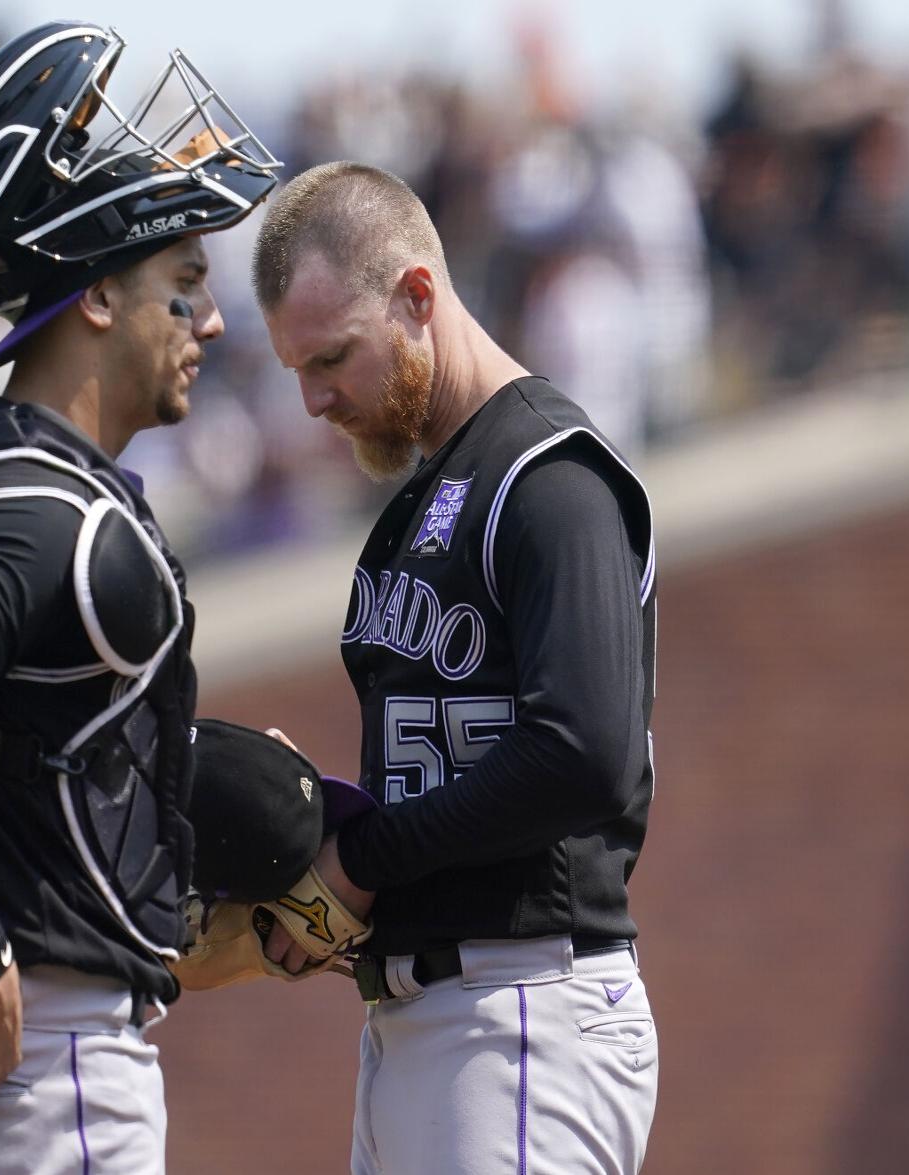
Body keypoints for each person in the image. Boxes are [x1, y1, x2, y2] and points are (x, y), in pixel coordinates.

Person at [0, 23, 279, 1174]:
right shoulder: (51, 512)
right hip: (36, 1062)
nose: (211, 321)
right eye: (182, 285)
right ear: (92, 298)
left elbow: (21, 744)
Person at [252, 162, 660, 1174]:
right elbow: (439, 779)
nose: (311, 399)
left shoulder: (549, 476)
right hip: (428, 1021)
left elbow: (583, 755)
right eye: (296, 368)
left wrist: (364, 858)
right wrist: (310, 827)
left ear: (417, 296)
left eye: (332, 356)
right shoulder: (416, 505)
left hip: (526, 1013)